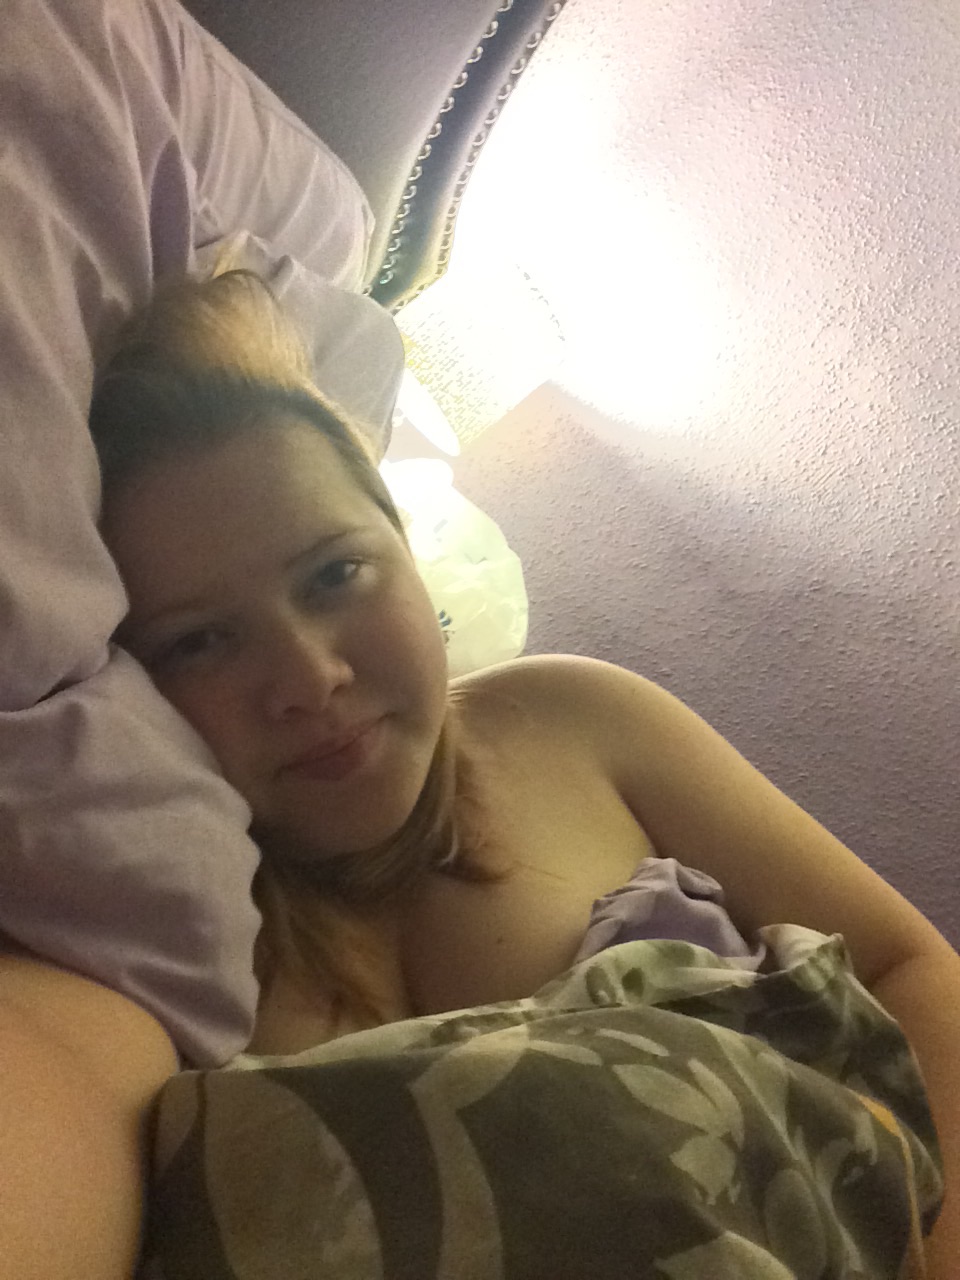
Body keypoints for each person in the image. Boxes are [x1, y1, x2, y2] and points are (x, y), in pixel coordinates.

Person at [90, 268, 960, 1274]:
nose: (309, 676)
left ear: (404, 541)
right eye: (199, 640)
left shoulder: (575, 718)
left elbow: (907, 969)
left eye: (335, 573)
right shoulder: (142, 932)